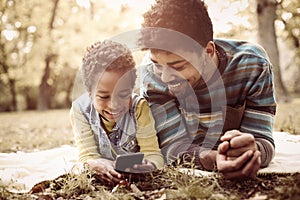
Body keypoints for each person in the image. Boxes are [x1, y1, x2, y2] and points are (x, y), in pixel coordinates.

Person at [138, 0, 276, 179]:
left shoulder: (253, 66)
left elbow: (263, 140)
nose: (165, 78)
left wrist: (251, 151)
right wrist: (213, 159)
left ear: (208, 51)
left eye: (178, 66)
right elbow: (171, 145)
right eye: (158, 65)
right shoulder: (151, 74)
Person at [70, 40, 164, 186]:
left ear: (131, 89)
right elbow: (86, 157)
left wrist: (149, 166)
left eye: (123, 95)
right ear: (90, 92)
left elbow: (154, 154)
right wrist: (95, 165)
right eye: (103, 96)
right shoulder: (80, 110)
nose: (114, 105)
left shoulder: (139, 108)